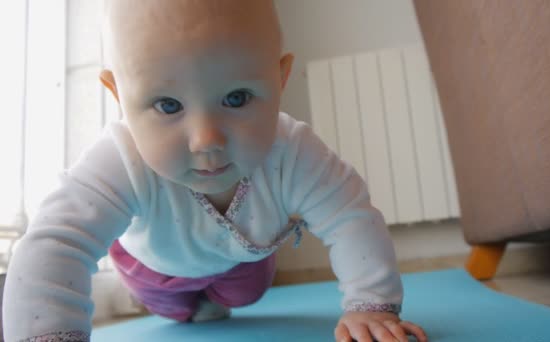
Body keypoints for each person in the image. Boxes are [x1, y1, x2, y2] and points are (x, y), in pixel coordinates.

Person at [2, 1, 428, 341]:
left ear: (279, 80)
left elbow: (349, 215)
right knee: (175, 310)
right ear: (119, 96)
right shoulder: (120, 158)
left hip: (244, 263)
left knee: (244, 295)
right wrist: (47, 334)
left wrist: (371, 305)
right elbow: (58, 241)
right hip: (155, 266)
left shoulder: (293, 151)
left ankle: (217, 297)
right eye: (168, 105)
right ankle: (178, 302)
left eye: (238, 98)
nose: (206, 139)